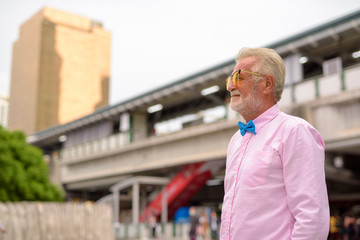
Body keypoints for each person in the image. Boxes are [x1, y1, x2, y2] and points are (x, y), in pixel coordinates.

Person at [220, 47, 329, 240]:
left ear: (267, 84)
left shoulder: (294, 132)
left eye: (238, 77)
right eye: (230, 79)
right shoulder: (236, 140)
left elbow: (312, 218)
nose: (230, 86)